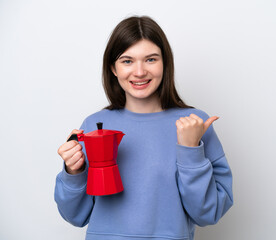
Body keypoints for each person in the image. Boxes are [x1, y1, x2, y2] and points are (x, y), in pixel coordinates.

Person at [55, 15, 233, 240]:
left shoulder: (195, 124)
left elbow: (208, 213)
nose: (139, 72)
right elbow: (75, 216)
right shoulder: (93, 126)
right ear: (113, 68)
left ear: (165, 63)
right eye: (127, 61)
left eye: (150, 59)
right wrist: (73, 172)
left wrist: (191, 153)